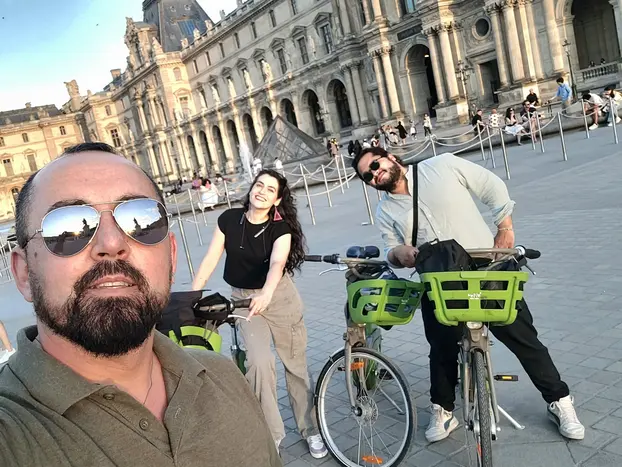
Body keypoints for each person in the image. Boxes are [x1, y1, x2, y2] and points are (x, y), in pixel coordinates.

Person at [0, 142, 281, 467]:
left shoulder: (225, 376)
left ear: (171, 256)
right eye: (67, 228)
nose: (111, 243)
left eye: (140, 222)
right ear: (24, 272)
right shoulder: (12, 434)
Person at [350, 146, 585, 444]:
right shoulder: (385, 210)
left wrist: (505, 226)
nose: (375, 173)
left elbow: (492, 186)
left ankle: (559, 400)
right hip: (438, 280)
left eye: (375, 164)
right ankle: (443, 409)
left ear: (391, 157)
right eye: (367, 176)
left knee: (523, 338)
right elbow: (390, 249)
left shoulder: (442, 165)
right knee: (441, 347)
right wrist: (398, 253)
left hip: (487, 268)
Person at [191, 169, 328, 459]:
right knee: (258, 363)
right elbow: (211, 258)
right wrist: (192, 295)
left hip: (279, 297)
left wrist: (266, 292)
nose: (262, 191)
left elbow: (277, 263)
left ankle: (310, 428)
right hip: (244, 301)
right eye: (259, 185)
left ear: (277, 200)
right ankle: (272, 433)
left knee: (295, 365)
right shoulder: (229, 220)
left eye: (270, 189)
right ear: (251, 188)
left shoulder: (281, 228)